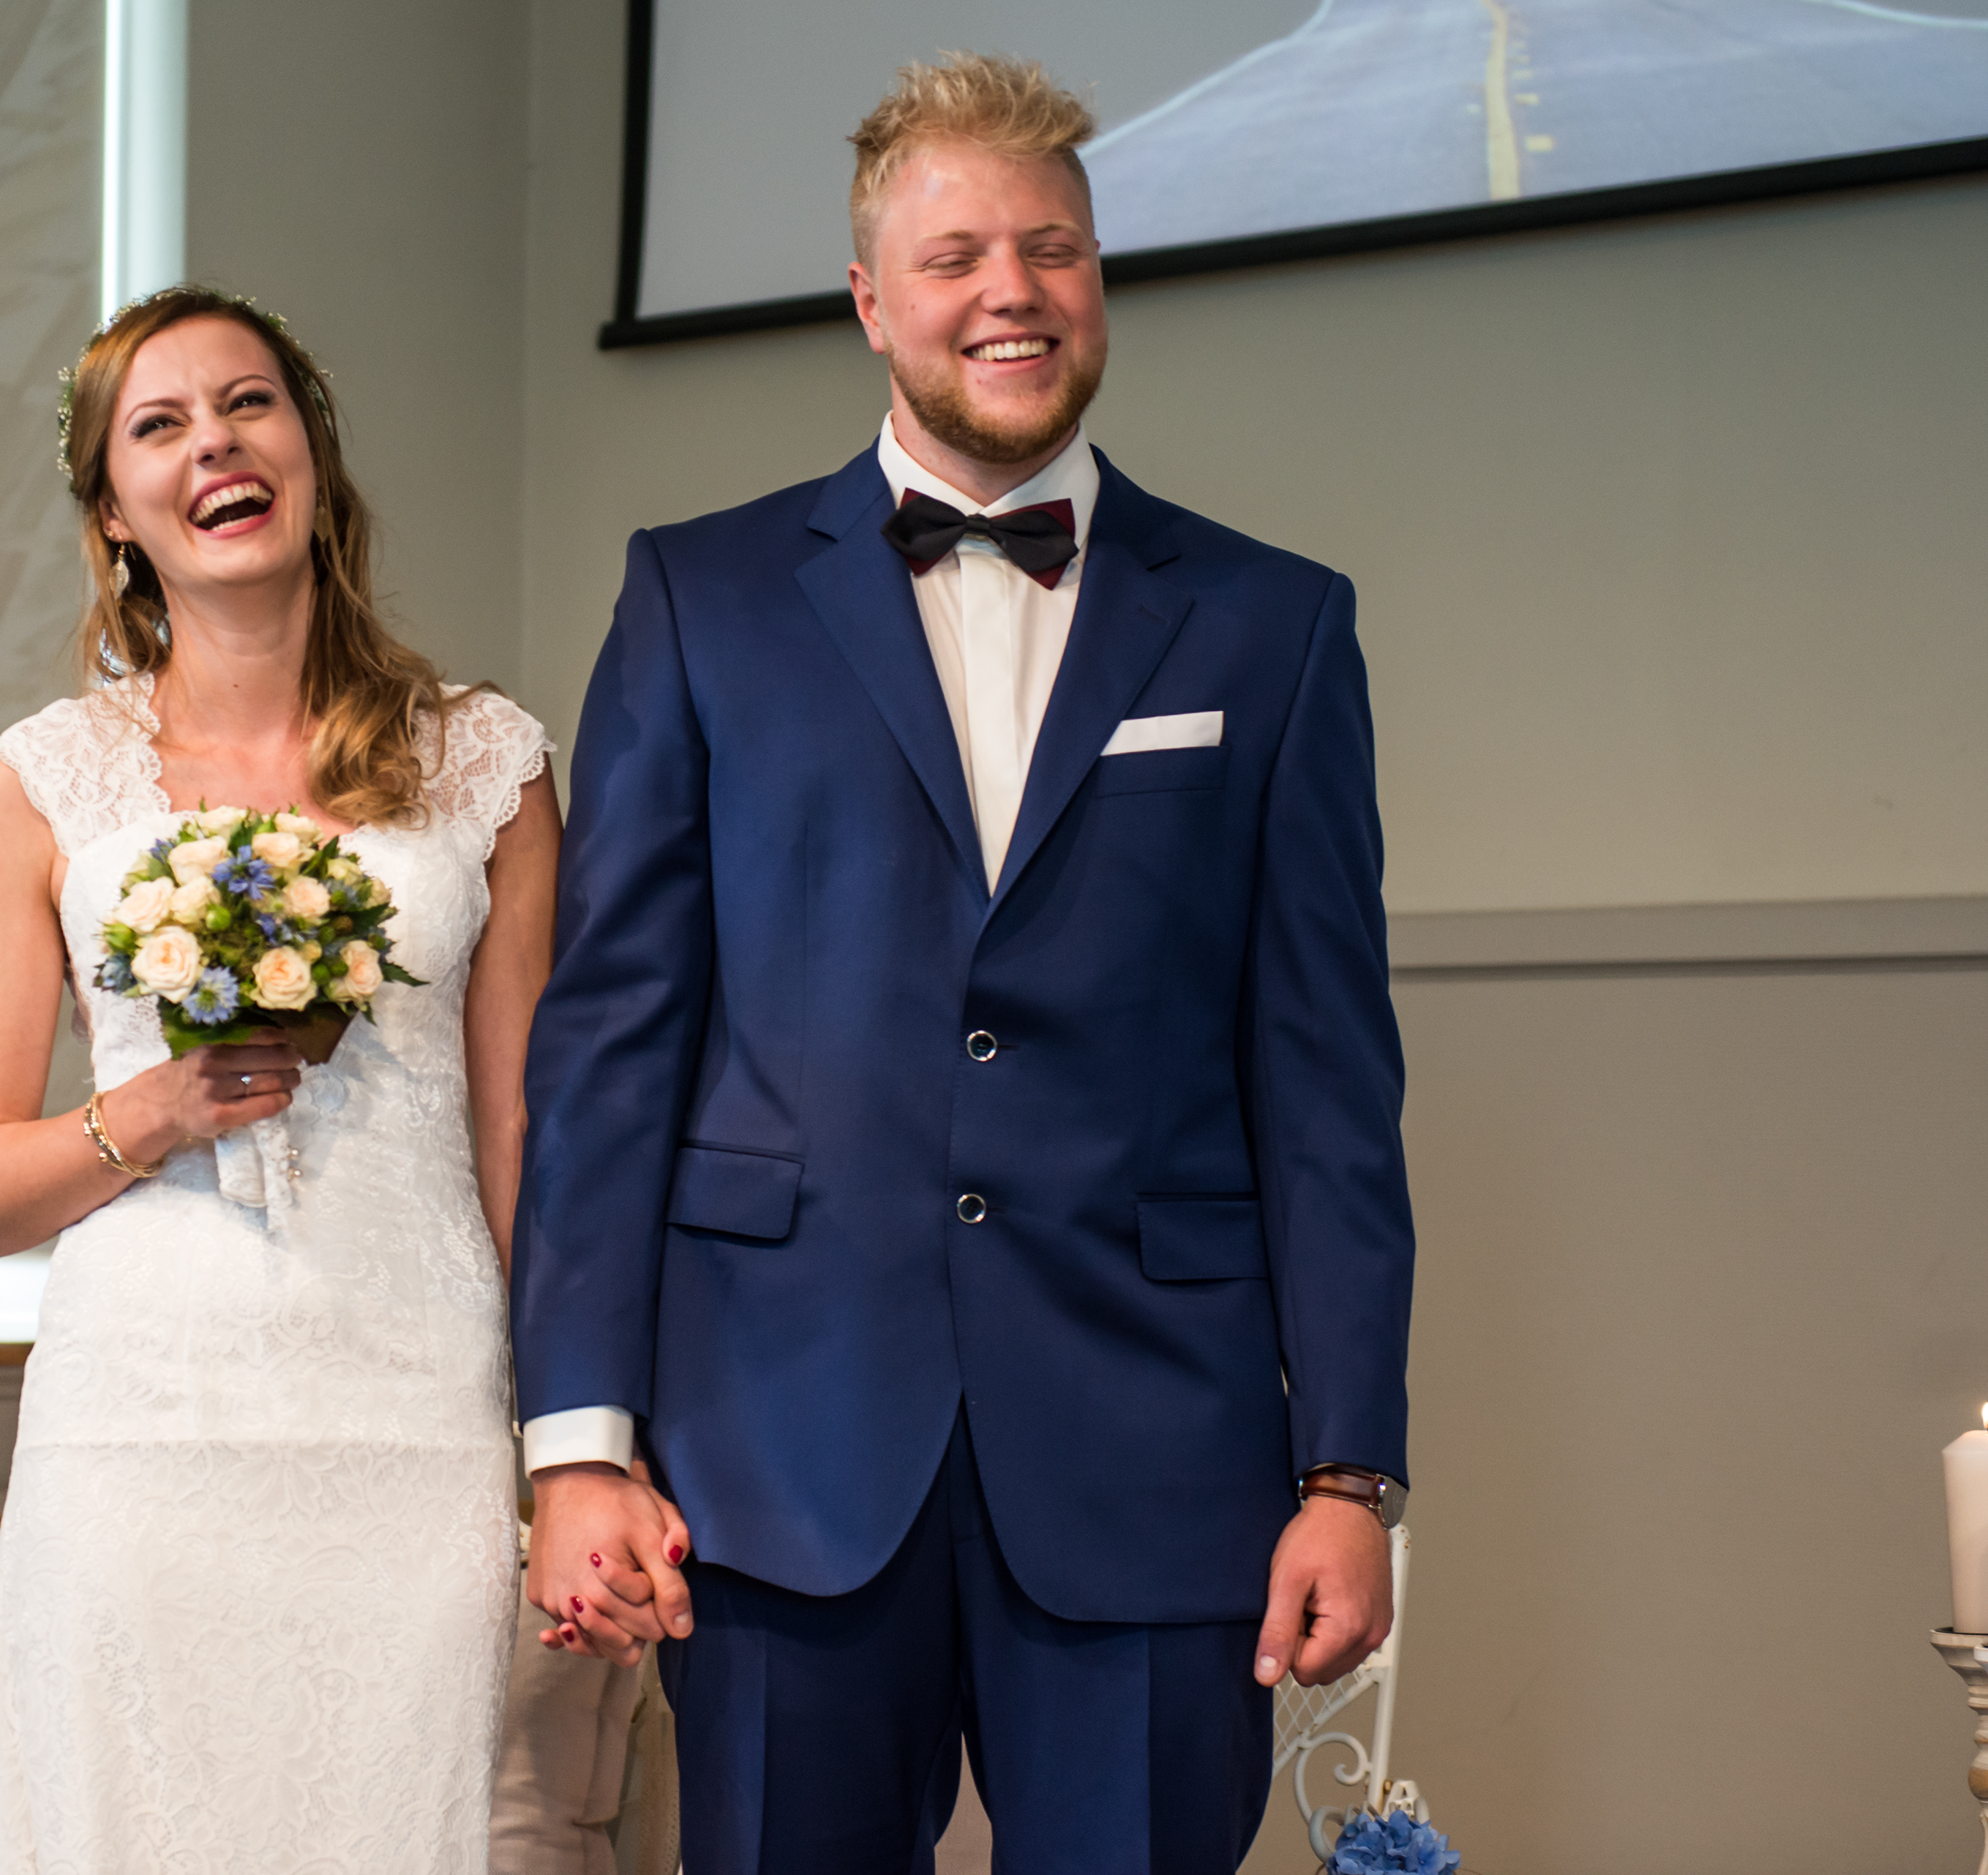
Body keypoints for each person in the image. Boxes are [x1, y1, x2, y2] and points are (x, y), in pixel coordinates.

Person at [512, 53, 1418, 1875]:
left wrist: (1349, 1471)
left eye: (1053, 249)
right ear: (871, 300)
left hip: (1157, 1453)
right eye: (956, 257)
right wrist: (578, 1442)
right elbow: (613, 1043)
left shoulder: (1274, 621)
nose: (1013, 291)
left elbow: (1327, 1080)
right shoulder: (699, 598)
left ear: (1100, 280)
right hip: (776, 1456)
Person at [0, 285, 559, 1873]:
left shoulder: (485, 761)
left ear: (312, 452)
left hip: (412, 1414)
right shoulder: (42, 781)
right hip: (141, 1424)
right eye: (161, 426)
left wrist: (572, 1443)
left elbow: (521, 1133)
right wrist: (155, 1109)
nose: (214, 443)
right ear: (115, 511)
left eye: (248, 404)